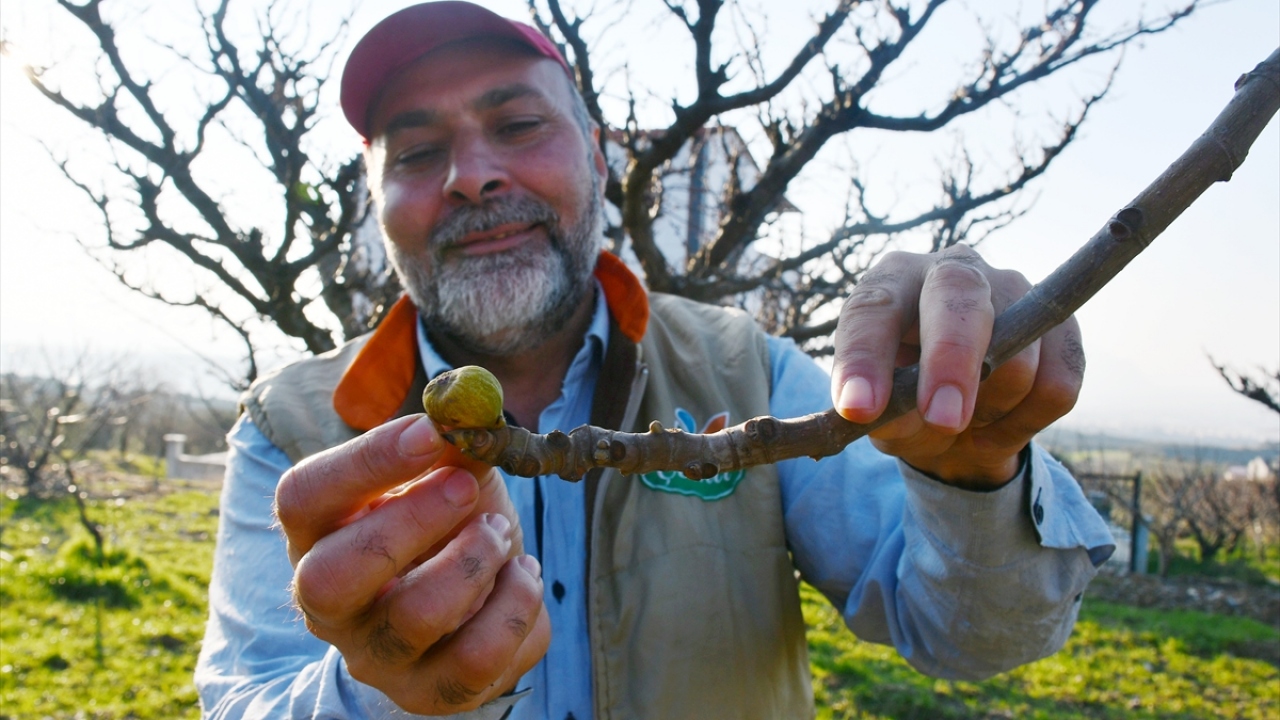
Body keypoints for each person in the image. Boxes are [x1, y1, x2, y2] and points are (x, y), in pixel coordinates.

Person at [194, 2, 1115, 718]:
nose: (470, 175)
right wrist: (383, 698)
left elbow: (973, 642)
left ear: (597, 159)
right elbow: (245, 698)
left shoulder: (746, 371)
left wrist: (975, 476)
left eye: (517, 126)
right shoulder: (293, 425)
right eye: (419, 150)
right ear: (378, 200)